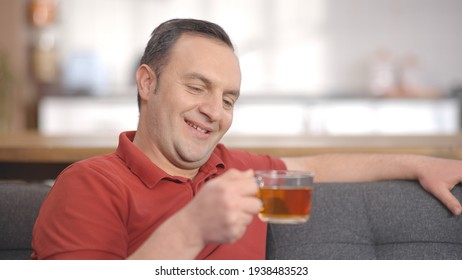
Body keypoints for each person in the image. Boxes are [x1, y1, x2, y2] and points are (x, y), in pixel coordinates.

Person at [32, 18, 462, 260]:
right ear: (147, 82)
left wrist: (419, 164)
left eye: (229, 98)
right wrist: (190, 230)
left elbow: (319, 169)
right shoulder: (89, 185)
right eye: (197, 87)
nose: (215, 111)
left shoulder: (239, 172)